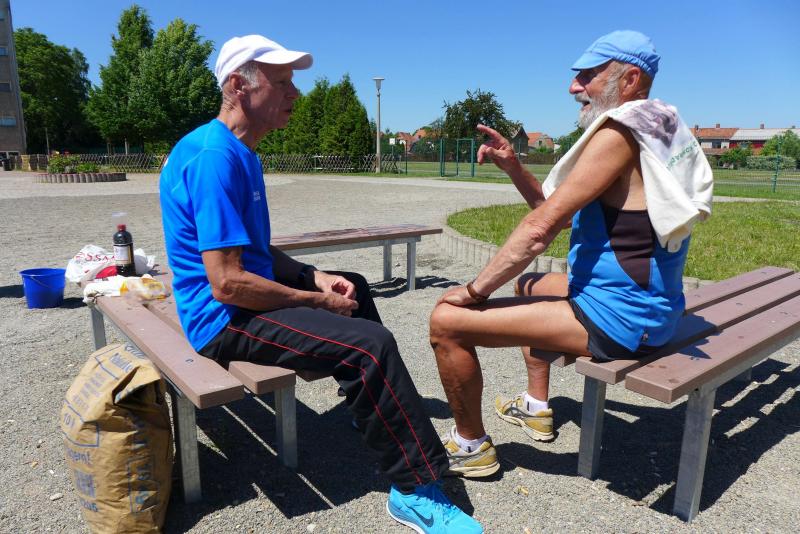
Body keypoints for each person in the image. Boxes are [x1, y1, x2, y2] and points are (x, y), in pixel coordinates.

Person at [158, 35, 482, 533]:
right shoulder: (213, 158)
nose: (295, 94)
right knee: (370, 345)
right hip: (222, 320)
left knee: (353, 285)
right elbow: (228, 284)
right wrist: (313, 301)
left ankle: (370, 410)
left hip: (242, 300)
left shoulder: (240, 152)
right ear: (238, 86)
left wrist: (317, 277)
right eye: (281, 82)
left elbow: (255, 253)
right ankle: (414, 489)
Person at [429, 30, 712, 477]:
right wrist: (514, 166)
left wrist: (474, 291)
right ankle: (535, 406)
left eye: (588, 76)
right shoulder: (658, 126)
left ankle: (470, 446)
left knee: (447, 322)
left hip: (623, 319)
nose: (573, 86)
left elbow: (539, 230)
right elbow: (557, 216)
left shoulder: (619, 134)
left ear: (630, 79)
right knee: (529, 283)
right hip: (652, 306)